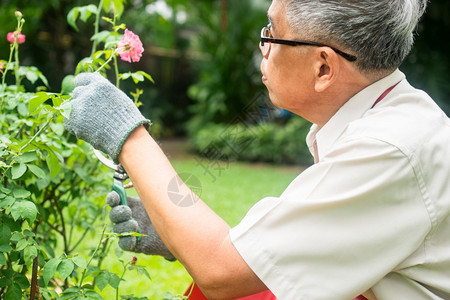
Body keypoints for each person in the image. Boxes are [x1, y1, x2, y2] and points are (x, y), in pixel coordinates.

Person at [65, 0, 450, 299]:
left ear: (324, 68)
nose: (263, 45)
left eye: (273, 31)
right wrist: (178, 235)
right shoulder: (390, 123)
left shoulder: (388, 150)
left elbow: (222, 270)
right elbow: (280, 255)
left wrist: (127, 136)